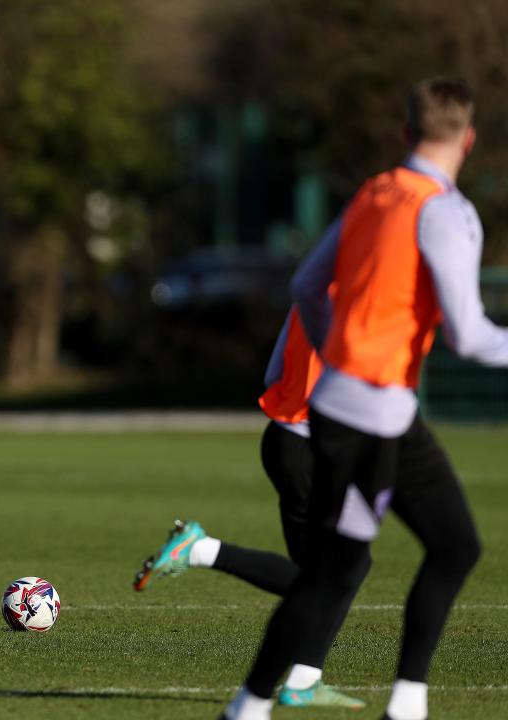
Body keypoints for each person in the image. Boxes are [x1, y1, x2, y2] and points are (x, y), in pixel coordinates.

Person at [220, 77, 508, 720]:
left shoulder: (375, 192)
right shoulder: (448, 211)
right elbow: (467, 333)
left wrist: (340, 356)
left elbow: (305, 283)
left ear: (407, 134)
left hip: (360, 413)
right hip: (373, 416)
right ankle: (374, 704)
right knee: (397, 557)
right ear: (469, 138)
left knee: (358, 563)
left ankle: (260, 706)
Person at [133, 306, 366, 709]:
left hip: (285, 438)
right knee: (335, 575)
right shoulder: (358, 296)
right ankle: (300, 681)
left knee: (326, 577)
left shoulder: (316, 287)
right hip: (314, 447)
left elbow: (273, 373)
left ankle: (304, 678)